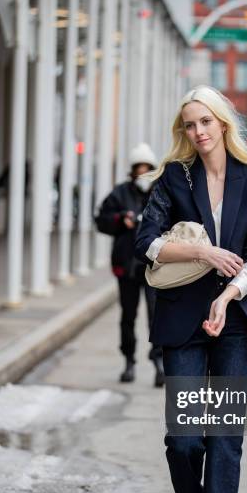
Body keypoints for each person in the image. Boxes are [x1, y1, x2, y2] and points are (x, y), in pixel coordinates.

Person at [135, 86, 247, 493]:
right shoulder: (175, 178)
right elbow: (145, 242)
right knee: (186, 440)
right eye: (189, 125)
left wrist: (230, 293)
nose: (198, 132)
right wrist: (204, 251)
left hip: (235, 320)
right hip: (181, 321)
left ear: (222, 123)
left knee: (224, 441)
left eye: (205, 122)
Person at [95, 143, 164, 386]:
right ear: (133, 170)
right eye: (139, 168)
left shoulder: (161, 193)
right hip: (127, 266)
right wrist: (119, 220)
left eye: (147, 168)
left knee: (157, 317)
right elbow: (101, 220)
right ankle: (129, 361)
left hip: (155, 267)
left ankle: (159, 362)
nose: (142, 172)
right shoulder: (120, 193)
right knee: (128, 315)